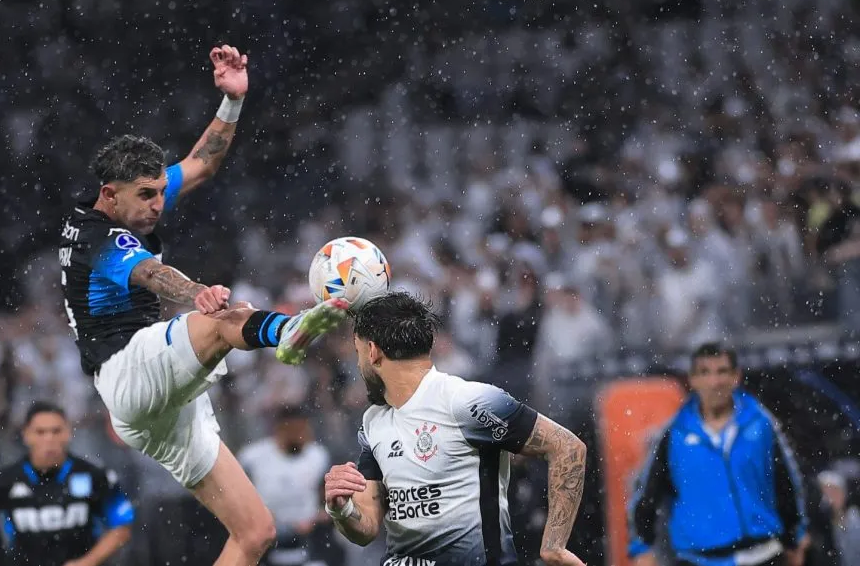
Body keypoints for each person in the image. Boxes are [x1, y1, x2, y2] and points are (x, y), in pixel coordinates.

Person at [59, 44, 349, 566]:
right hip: (127, 369)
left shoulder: (129, 201)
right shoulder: (96, 237)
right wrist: (196, 292)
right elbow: (150, 273)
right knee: (217, 321)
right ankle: (286, 332)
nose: (157, 204)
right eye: (146, 195)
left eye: (159, 192)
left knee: (255, 533)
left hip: (158, 407)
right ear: (109, 194)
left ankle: (278, 330)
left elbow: (202, 163)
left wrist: (232, 100)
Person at [322, 291, 589, 566]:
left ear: (373, 351)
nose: (358, 365)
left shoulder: (465, 401)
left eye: (358, 353)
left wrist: (554, 546)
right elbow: (366, 528)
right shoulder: (373, 421)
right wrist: (341, 508)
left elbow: (567, 447)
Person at [627, 342, 810, 566]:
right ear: (693, 379)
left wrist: (795, 536)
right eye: (705, 372)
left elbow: (786, 482)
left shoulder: (761, 425)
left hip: (764, 554)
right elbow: (647, 493)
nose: (714, 382)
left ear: (736, 376)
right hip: (698, 559)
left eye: (722, 371)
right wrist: (642, 546)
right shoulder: (675, 435)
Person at [0, 402, 135, 566]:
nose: (49, 439)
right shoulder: (2, 481)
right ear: (26, 435)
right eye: (40, 432)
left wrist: (88, 562)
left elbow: (122, 525)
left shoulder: (95, 476)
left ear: (68, 433)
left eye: (56, 431)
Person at [239, 405, 334, 566]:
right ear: (280, 429)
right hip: (265, 538)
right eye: (296, 430)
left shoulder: (318, 456)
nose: (302, 436)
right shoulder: (252, 458)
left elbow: (328, 501)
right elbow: (240, 499)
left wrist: (316, 519)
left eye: (304, 430)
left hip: (308, 538)